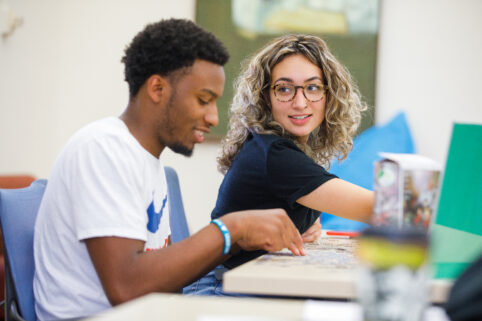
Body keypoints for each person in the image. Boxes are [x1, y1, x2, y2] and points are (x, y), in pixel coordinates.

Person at [33, 19, 305, 320]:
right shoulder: (103, 149)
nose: (214, 117)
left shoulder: (146, 162)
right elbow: (127, 286)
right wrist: (233, 228)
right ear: (157, 88)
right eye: (204, 100)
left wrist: (244, 237)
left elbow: (165, 273)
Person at [184, 34, 375, 296]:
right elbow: (378, 208)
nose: (299, 102)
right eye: (284, 89)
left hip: (233, 280)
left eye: (313, 87)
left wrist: (301, 225)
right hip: (221, 289)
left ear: (329, 95)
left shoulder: (277, 147)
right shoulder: (274, 154)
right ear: (266, 97)